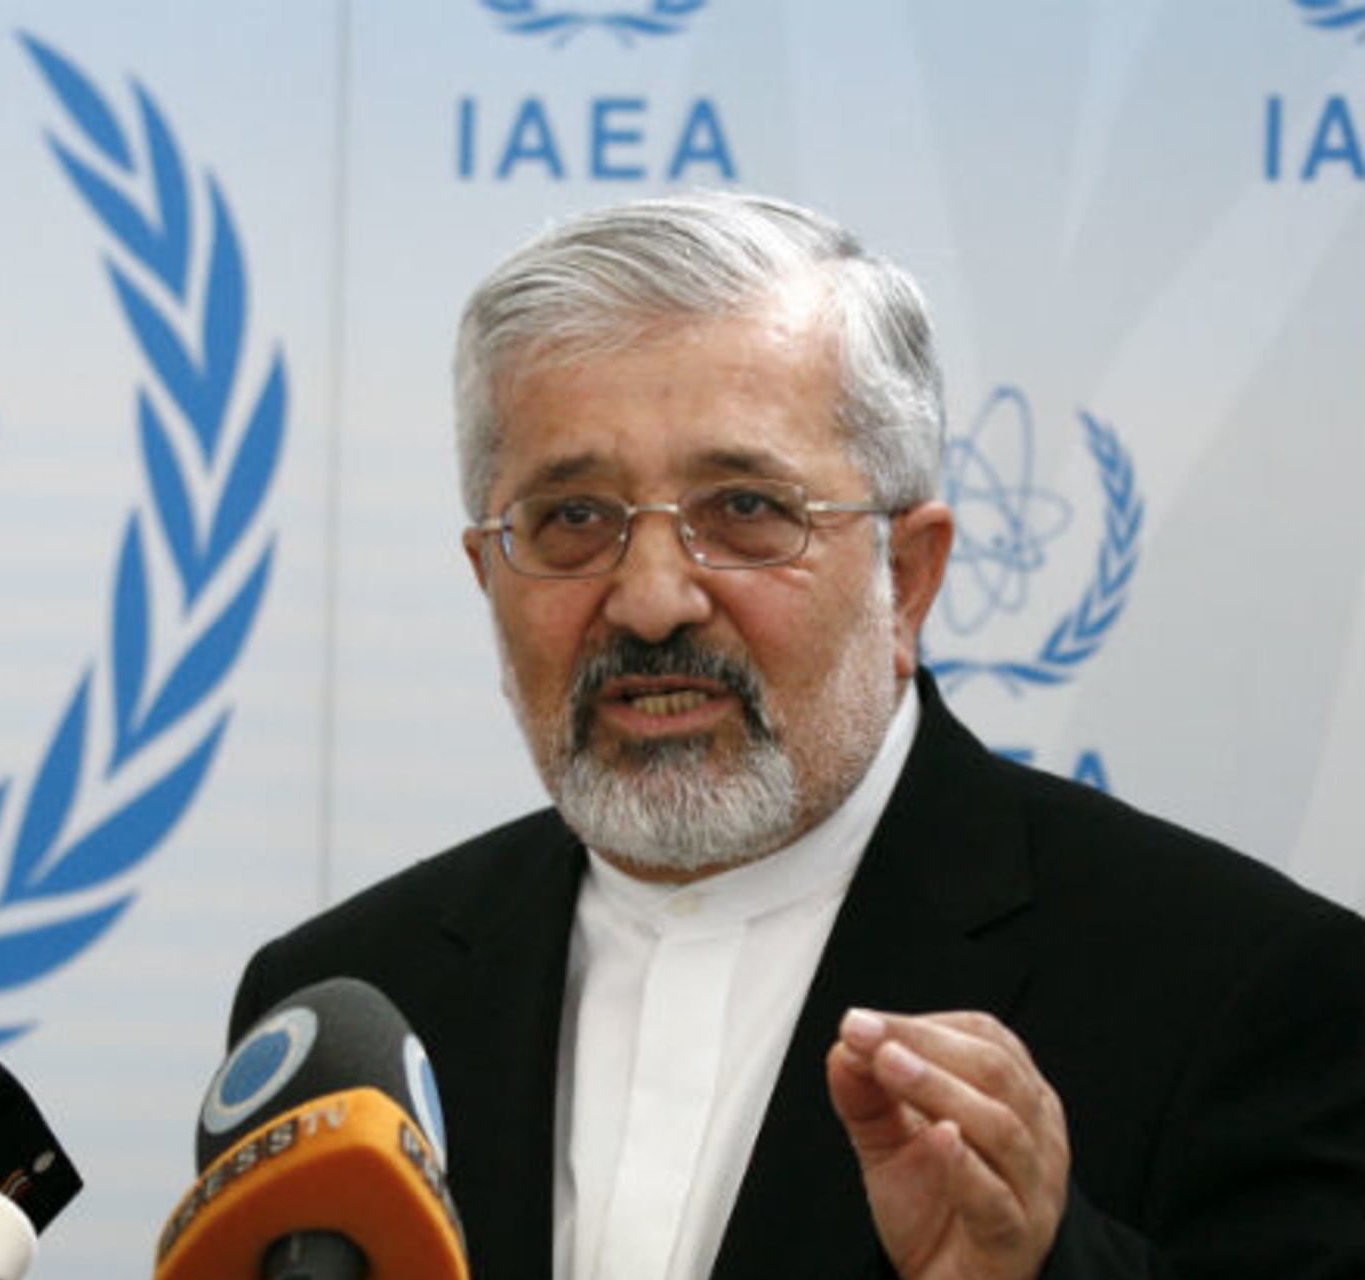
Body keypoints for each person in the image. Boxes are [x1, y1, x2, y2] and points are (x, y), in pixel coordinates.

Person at [226, 191, 1365, 1280]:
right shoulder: (347, 999)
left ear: (906, 578)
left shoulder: (1240, 988)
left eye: (746, 510)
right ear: (488, 574)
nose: (652, 598)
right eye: (574, 519)